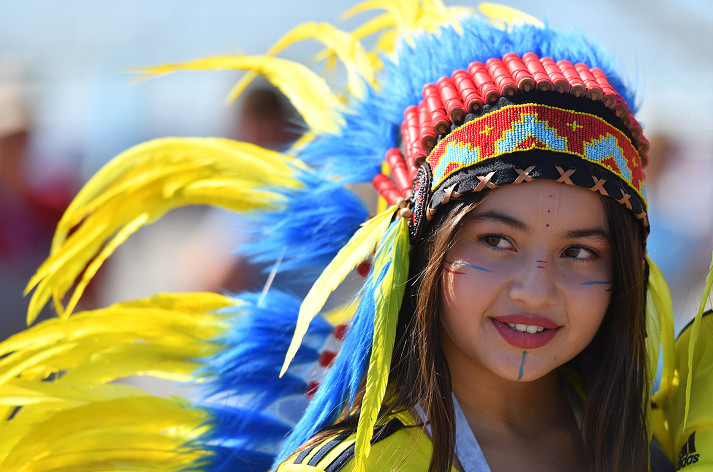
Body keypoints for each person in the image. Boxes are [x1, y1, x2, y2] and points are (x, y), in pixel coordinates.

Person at [1, 3, 711, 472]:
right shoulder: (346, 464)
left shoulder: (659, 445)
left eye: (580, 252)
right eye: (495, 240)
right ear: (418, 252)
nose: (535, 289)